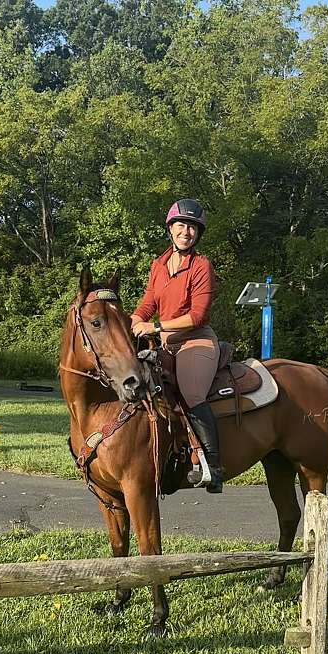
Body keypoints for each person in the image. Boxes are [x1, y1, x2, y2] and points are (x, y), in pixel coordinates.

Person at [130, 198, 223, 493]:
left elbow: (198, 315)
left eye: (193, 227)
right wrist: (132, 319)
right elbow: (148, 303)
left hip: (196, 341)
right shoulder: (158, 265)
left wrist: (155, 326)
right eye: (181, 225)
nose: (186, 232)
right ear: (170, 229)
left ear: (198, 234)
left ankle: (213, 465)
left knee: (192, 391)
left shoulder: (201, 266)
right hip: (165, 343)